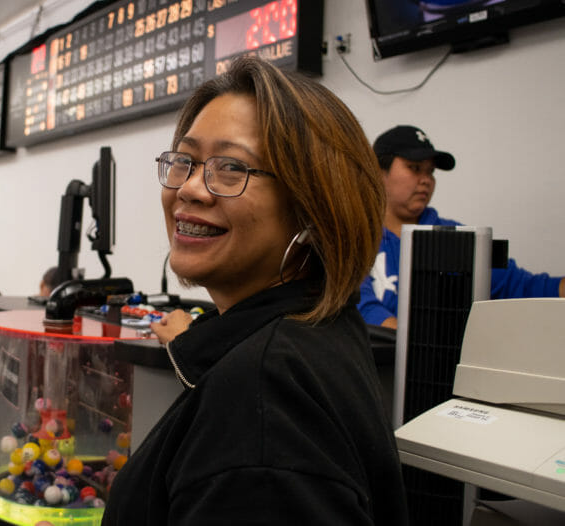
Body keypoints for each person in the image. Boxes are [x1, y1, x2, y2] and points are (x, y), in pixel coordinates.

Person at [102, 57, 407, 525]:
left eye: (230, 168)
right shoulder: (311, 335)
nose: (190, 188)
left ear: (313, 208)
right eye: (184, 161)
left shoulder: (265, 398)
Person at [358, 125, 565, 329]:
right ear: (378, 171)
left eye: (430, 171)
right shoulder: (355, 237)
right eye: (414, 168)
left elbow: (522, 286)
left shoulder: (456, 239)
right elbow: (360, 307)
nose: (426, 180)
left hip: (443, 361)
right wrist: (411, 343)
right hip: (374, 360)